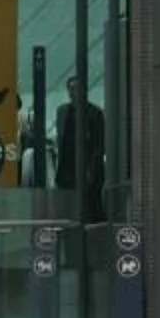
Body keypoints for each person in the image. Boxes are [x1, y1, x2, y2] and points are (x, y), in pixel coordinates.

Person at [53, 73, 107, 222]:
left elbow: (100, 145)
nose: (72, 92)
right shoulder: (62, 111)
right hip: (66, 168)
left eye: (76, 88)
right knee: (67, 206)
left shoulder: (95, 113)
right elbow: (60, 139)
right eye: (70, 88)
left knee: (91, 207)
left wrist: (92, 170)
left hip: (89, 168)